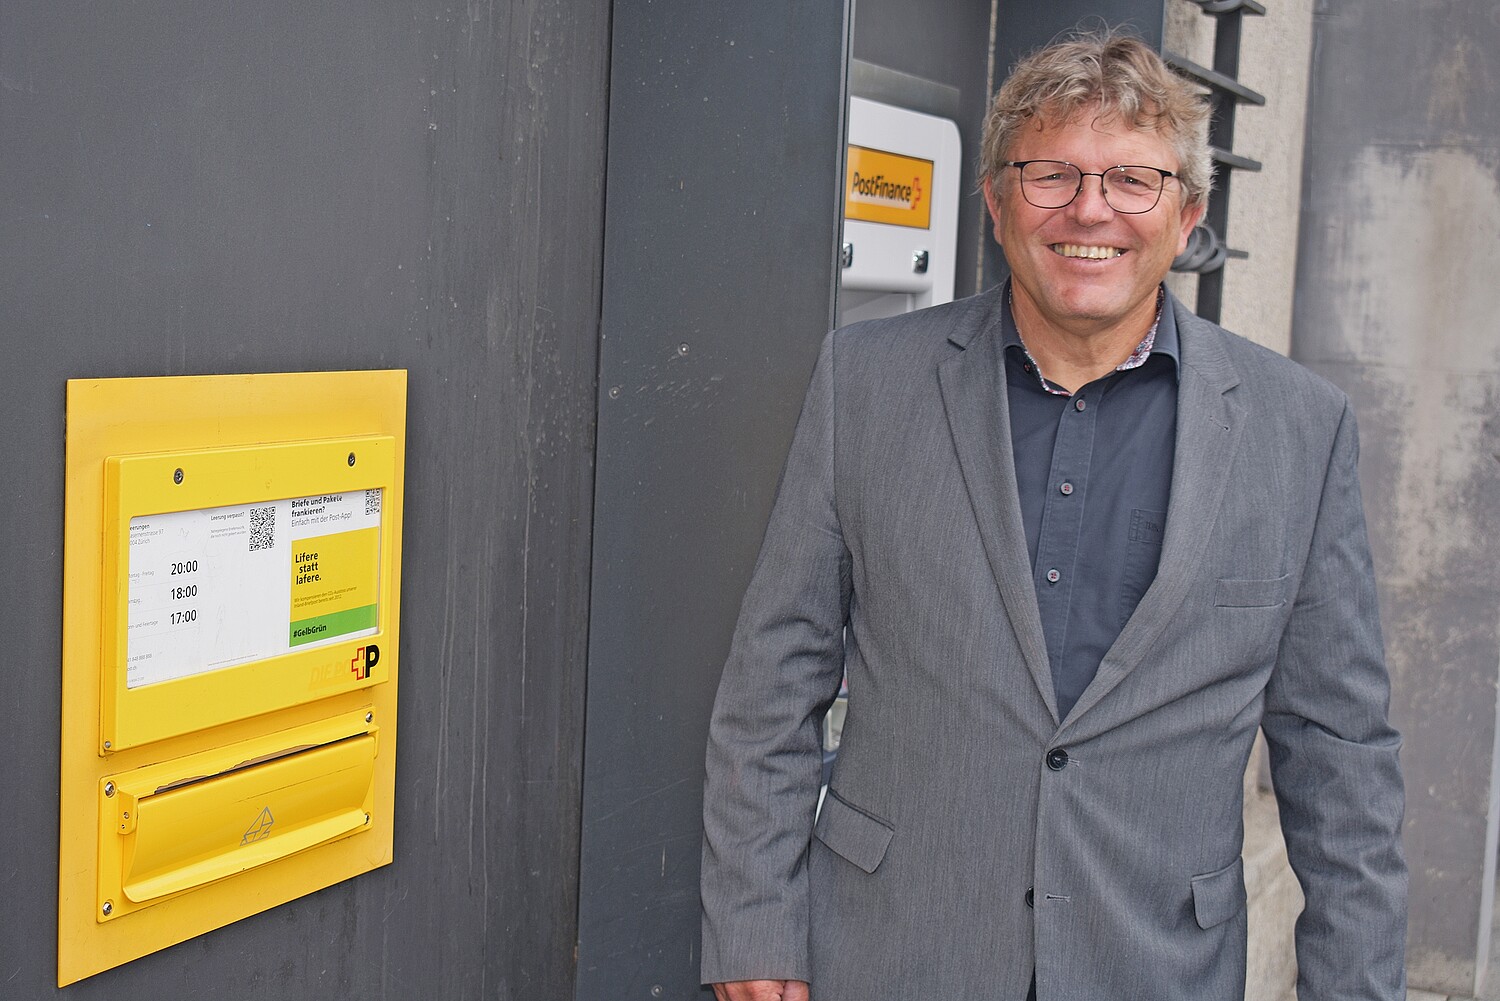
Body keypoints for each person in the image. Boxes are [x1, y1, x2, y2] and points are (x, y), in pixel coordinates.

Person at [700, 31, 1406, 1001]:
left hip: (1156, 964)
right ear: (995, 201)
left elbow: (1341, 758)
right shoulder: (863, 384)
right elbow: (772, 682)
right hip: (889, 951)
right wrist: (752, 925)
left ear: (1188, 212)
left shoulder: (1299, 431)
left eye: (1132, 179)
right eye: (1052, 174)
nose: (1090, 209)